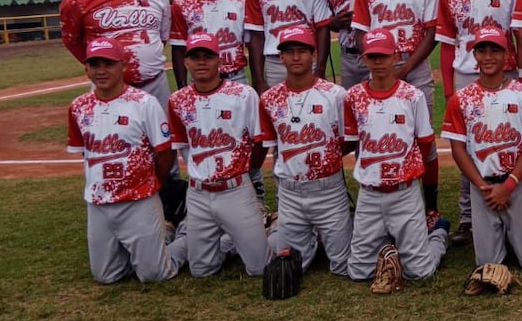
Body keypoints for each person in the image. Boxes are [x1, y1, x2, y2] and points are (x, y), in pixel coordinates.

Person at [66, 37, 184, 284]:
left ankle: (187, 237)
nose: (100, 70)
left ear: (123, 65)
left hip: (139, 199)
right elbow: (84, 153)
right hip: (99, 202)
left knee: (155, 274)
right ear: (86, 68)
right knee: (106, 276)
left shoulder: (144, 103)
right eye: (94, 64)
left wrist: (154, 183)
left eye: (108, 63)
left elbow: (165, 151)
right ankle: (152, 242)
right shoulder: (78, 107)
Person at [343, 28, 450, 290]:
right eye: (372, 56)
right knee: (358, 272)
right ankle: (390, 245)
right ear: (364, 59)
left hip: (404, 192)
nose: (378, 62)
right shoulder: (353, 97)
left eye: (383, 56)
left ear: (394, 57)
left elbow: (425, 144)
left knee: (420, 272)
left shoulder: (412, 96)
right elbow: (351, 140)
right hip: (369, 193)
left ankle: (438, 234)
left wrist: (409, 172)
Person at [351, 0, 443, 225]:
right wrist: (379, 65)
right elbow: (361, 32)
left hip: (412, 65)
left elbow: (431, 32)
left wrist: (403, 69)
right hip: (378, 64)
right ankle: (380, 196)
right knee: (379, 133)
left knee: (423, 140)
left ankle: (430, 207)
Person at [436, 0, 518, 249]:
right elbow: (445, 45)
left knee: (508, 142)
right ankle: (469, 218)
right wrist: (447, 90)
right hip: (466, 75)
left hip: (505, 73)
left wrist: (521, 78)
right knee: (469, 148)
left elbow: (518, 36)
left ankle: (513, 207)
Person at [167, 32, 270, 277]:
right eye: (195, 57)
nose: (201, 62)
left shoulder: (243, 95)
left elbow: (259, 143)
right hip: (199, 193)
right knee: (202, 270)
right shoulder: (177, 100)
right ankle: (201, 235)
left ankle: (255, 230)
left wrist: (245, 173)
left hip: (235, 189)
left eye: (208, 56)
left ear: (219, 61)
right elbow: (183, 145)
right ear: (186, 63)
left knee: (259, 268)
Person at [443, 27, 522, 269]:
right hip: (483, 189)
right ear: (475, 56)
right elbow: (458, 149)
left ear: (506, 54)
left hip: (517, 184)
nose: (488, 57)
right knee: (488, 264)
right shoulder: (462, 98)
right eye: (482, 51)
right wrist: (483, 187)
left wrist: (508, 186)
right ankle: (518, 225)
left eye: (494, 51)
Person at [258, 25, 353, 275]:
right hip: (290, 193)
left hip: (329, 191)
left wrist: (326, 155)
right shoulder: (269, 99)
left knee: (343, 266)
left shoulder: (335, 94)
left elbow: (351, 139)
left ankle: (316, 236)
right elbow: (272, 144)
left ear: (314, 54)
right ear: (281, 57)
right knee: (289, 267)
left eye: (302, 51)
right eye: (289, 52)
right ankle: (278, 227)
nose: (296, 57)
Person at [171, 0, 262, 199]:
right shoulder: (182, 5)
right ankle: (203, 192)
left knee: (242, 139)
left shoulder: (240, 2)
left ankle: (255, 192)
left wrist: (256, 81)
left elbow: (251, 43)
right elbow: (178, 49)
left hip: (235, 77)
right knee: (204, 138)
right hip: (198, 84)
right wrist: (181, 86)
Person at [60, 0, 172, 107]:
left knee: (162, 133)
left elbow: (162, 36)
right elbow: (71, 41)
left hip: (154, 84)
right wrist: (101, 67)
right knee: (109, 134)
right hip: (108, 90)